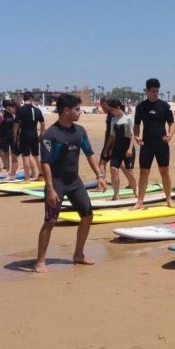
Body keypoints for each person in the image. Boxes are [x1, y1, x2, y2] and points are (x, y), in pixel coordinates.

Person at [34, 94, 107, 273]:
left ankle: (78, 255)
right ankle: (40, 261)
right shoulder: (50, 134)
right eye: (77, 109)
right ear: (66, 111)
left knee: (88, 216)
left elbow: (89, 153)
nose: (80, 112)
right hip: (56, 183)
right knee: (50, 221)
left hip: (74, 182)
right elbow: (45, 163)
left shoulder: (80, 131)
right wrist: (50, 188)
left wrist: (99, 174)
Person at [131, 78, 175, 209]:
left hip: (162, 144)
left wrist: (170, 134)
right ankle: (140, 201)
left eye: (157, 91)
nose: (155, 94)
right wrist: (137, 136)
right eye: (153, 91)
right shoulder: (141, 107)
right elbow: (136, 124)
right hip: (147, 144)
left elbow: (171, 124)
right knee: (144, 172)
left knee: (165, 172)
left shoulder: (164, 106)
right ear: (147, 91)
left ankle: (169, 199)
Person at [103, 99, 137, 200]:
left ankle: (136, 191)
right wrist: (106, 148)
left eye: (112, 110)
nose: (111, 113)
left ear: (118, 108)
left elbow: (132, 135)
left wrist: (130, 149)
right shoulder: (114, 120)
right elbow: (112, 136)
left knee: (130, 172)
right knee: (113, 170)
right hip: (117, 149)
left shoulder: (128, 119)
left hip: (127, 149)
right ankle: (116, 194)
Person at [13, 92, 45, 182]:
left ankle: (27, 178)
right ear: (31, 99)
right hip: (34, 135)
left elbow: (16, 123)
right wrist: (41, 134)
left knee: (25, 156)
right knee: (36, 155)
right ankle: (42, 175)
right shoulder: (37, 110)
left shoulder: (21, 110)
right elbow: (43, 122)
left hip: (24, 134)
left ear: (24, 99)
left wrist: (15, 135)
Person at [0, 100, 19, 177]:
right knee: (6, 153)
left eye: (11, 106)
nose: (10, 107)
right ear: (5, 107)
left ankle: (13, 170)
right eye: (9, 106)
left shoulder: (13, 114)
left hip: (12, 136)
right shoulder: (1, 115)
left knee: (13, 153)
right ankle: (7, 169)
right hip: (3, 136)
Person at [96, 97, 113, 187]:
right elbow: (108, 130)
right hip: (109, 143)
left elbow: (114, 133)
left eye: (104, 107)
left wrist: (108, 147)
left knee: (102, 163)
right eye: (102, 107)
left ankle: (101, 184)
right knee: (120, 164)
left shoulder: (112, 115)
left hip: (111, 143)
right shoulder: (110, 114)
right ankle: (131, 183)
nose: (103, 109)